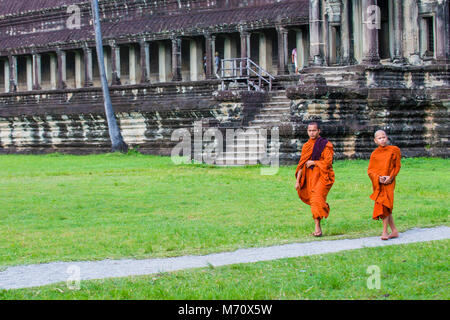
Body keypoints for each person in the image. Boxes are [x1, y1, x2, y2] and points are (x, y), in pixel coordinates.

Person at [295, 122, 335, 237]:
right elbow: (301, 164)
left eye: (314, 130)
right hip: (310, 177)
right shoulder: (306, 146)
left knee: (317, 198)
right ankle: (318, 228)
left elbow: (327, 163)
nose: (311, 133)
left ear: (319, 131)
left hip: (323, 176)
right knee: (314, 201)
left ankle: (324, 209)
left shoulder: (326, 144)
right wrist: (297, 181)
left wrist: (314, 162)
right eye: (309, 131)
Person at [367, 130, 401, 240]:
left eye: (384, 137)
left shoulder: (394, 150)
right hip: (379, 183)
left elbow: (397, 166)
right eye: (379, 138)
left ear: (387, 138)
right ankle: (394, 231)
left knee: (385, 205)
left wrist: (390, 177)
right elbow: (370, 171)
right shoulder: (374, 154)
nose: (382, 140)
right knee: (385, 205)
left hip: (389, 182)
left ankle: (385, 232)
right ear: (375, 141)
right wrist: (378, 178)